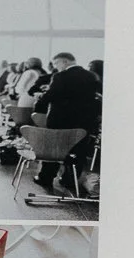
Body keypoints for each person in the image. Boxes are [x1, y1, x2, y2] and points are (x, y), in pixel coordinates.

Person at [31, 53, 101, 194]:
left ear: (64, 61)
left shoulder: (60, 76)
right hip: (84, 122)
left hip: (60, 121)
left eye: (56, 63)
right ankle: (70, 180)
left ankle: (45, 178)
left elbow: (50, 96)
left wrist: (39, 101)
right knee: (78, 151)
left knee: (54, 149)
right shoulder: (92, 76)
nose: (56, 67)